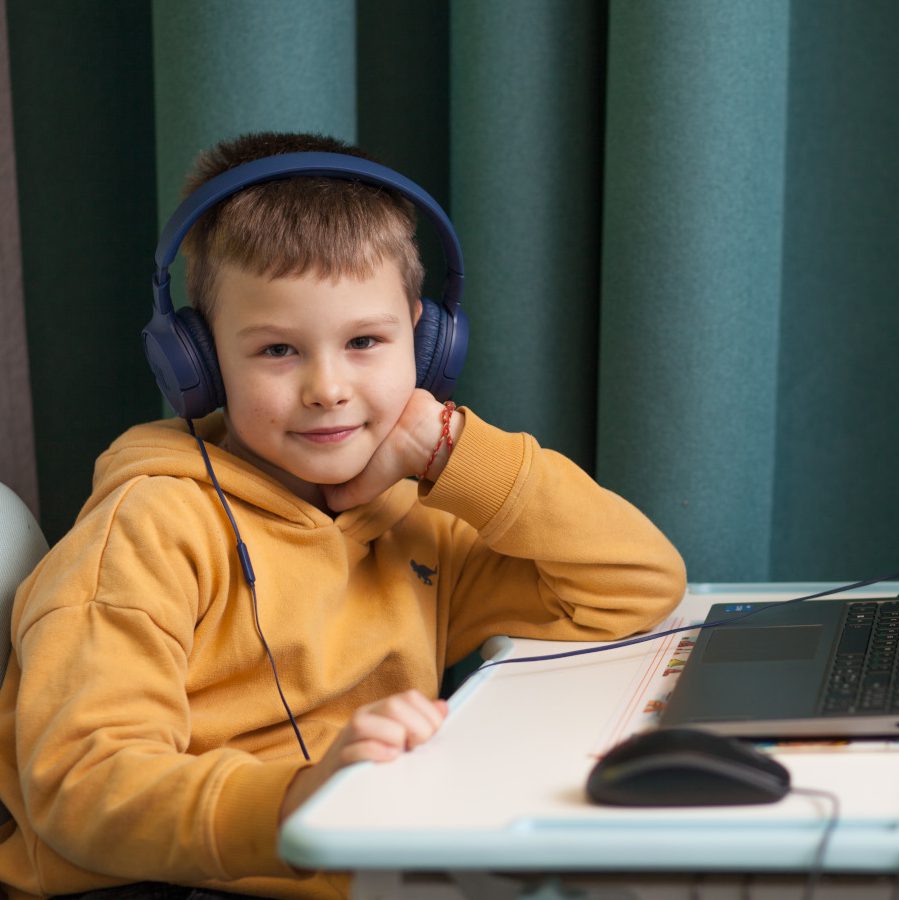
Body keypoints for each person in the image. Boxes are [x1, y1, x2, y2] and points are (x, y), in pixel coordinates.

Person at [0, 131, 686, 899]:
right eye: (277, 351)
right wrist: (299, 799)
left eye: (364, 341)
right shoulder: (147, 529)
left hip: (361, 863)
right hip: (164, 883)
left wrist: (450, 450)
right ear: (196, 360)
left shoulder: (416, 517)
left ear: (427, 344)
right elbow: (79, 787)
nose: (327, 387)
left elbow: (634, 585)